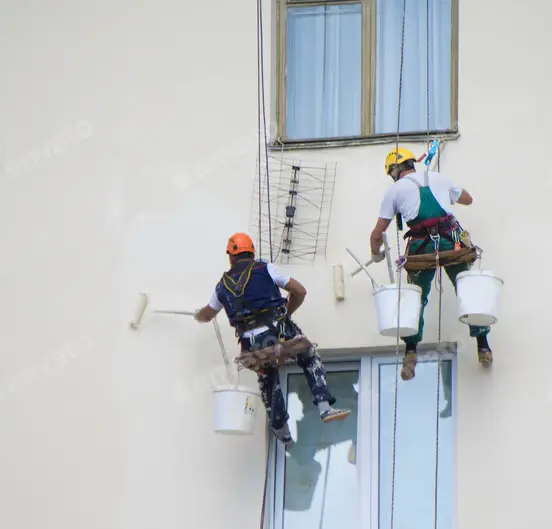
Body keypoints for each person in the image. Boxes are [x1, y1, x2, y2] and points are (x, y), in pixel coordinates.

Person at [194, 233, 350, 447]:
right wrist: (286, 313)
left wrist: (198, 315)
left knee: (267, 377)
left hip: (252, 347)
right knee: (308, 356)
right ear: (252, 253)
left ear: (230, 256)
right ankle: (324, 407)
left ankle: (282, 430)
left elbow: (208, 314)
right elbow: (300, 291)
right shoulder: (265, 268)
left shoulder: (221, 286)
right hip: (279, 335)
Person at [369, 147, 494, 379]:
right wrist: (447, 189)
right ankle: (483, 346)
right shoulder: (438, 178)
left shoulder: (394, 191)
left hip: (422, 247)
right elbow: (468, 199)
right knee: (467, 289)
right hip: (450, 241)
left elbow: (377, 234)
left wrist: (376, 253)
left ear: (395, 171)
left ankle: (410, 352)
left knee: (415, 298)